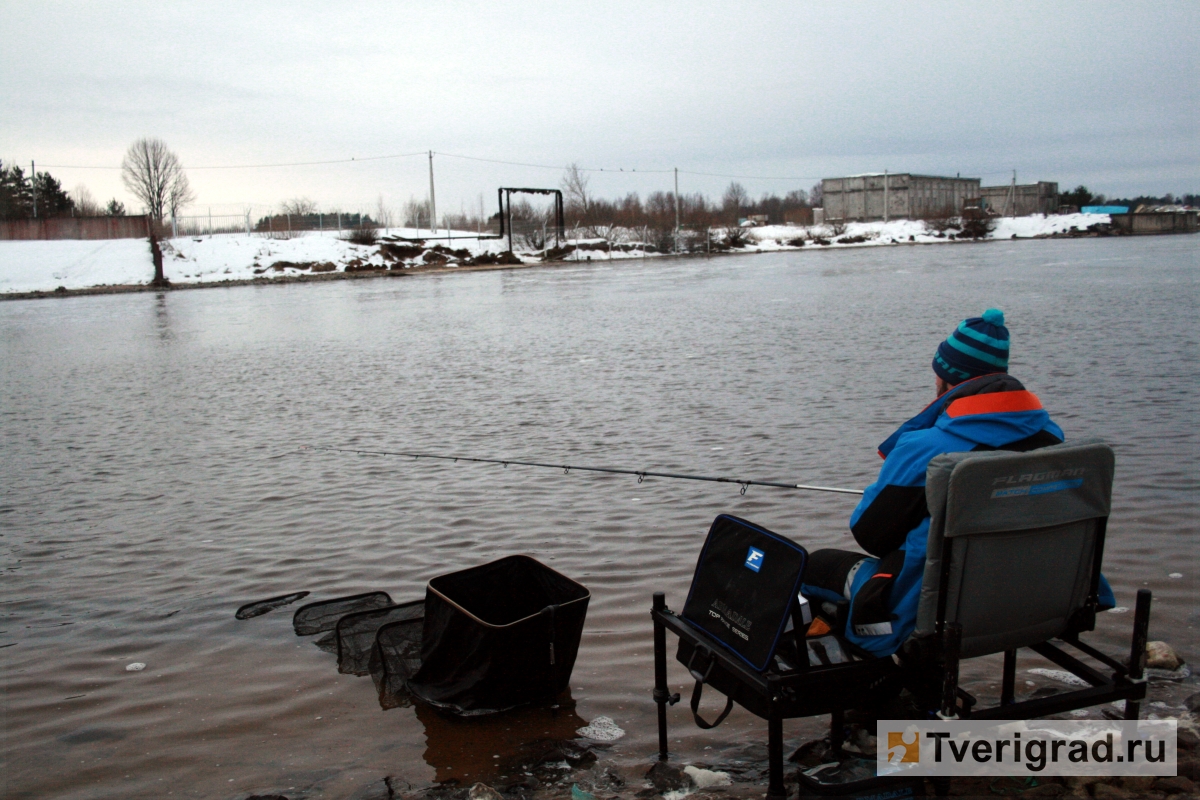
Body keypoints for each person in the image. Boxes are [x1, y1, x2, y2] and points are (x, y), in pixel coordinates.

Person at [800, 309, 1114, 657]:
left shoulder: (927, 447)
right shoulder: (1050, 436)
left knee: (814, 566)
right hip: (1038, 597)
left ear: (946, 379)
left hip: (940, 613)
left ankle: (872, 693)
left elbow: (870, 535)